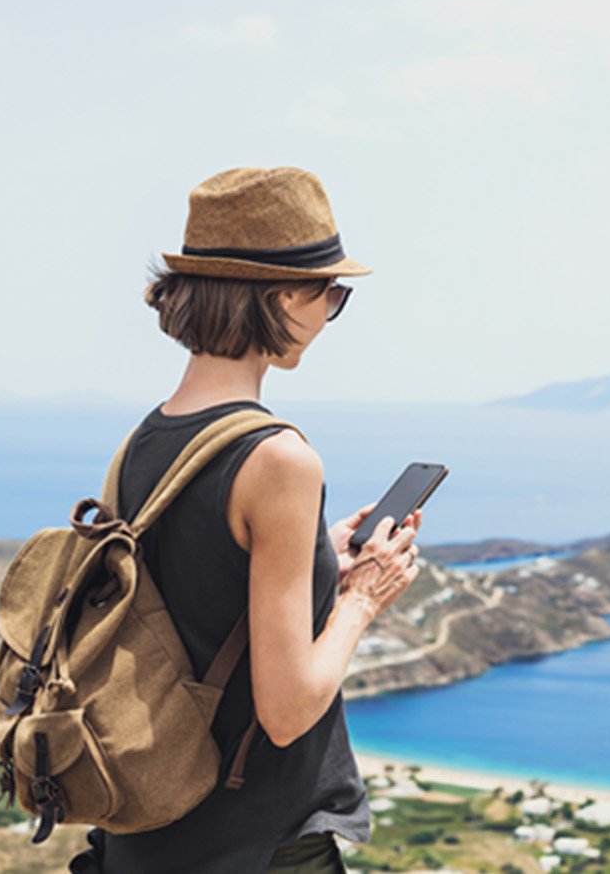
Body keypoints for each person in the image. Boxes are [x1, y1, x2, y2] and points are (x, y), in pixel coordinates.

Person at [68, 167, 419, 874]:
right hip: (256, 846)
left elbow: (193, 593)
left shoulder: (143, 444)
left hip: (142, 837)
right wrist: (359, 599)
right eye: (332, 294)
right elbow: (287, 712)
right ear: (282, 294)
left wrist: (316, 559)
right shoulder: (280, 460)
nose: (329, 314)